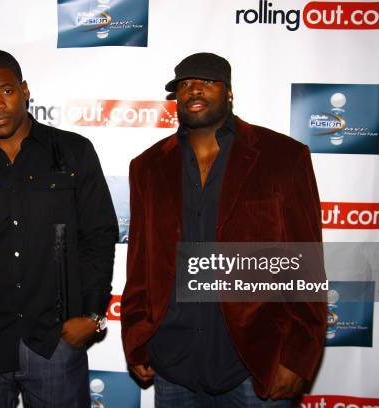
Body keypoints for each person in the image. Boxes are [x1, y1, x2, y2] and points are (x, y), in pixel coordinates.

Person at [121, 52, 326, 407]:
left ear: (229, 92)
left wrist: (296, 355)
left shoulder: (282, 156)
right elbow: (141, 263)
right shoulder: (148, 167)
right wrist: (137, 334)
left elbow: (305, 263)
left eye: (207, 81)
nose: (194, 90)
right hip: (175, 362)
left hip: (255, 361)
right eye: (184, 84)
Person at [0, 49, 117, 408]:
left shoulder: (73, 152)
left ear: (25, 90)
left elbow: (99, 236)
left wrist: (92, 314)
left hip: (54, 344)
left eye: (7, 91)